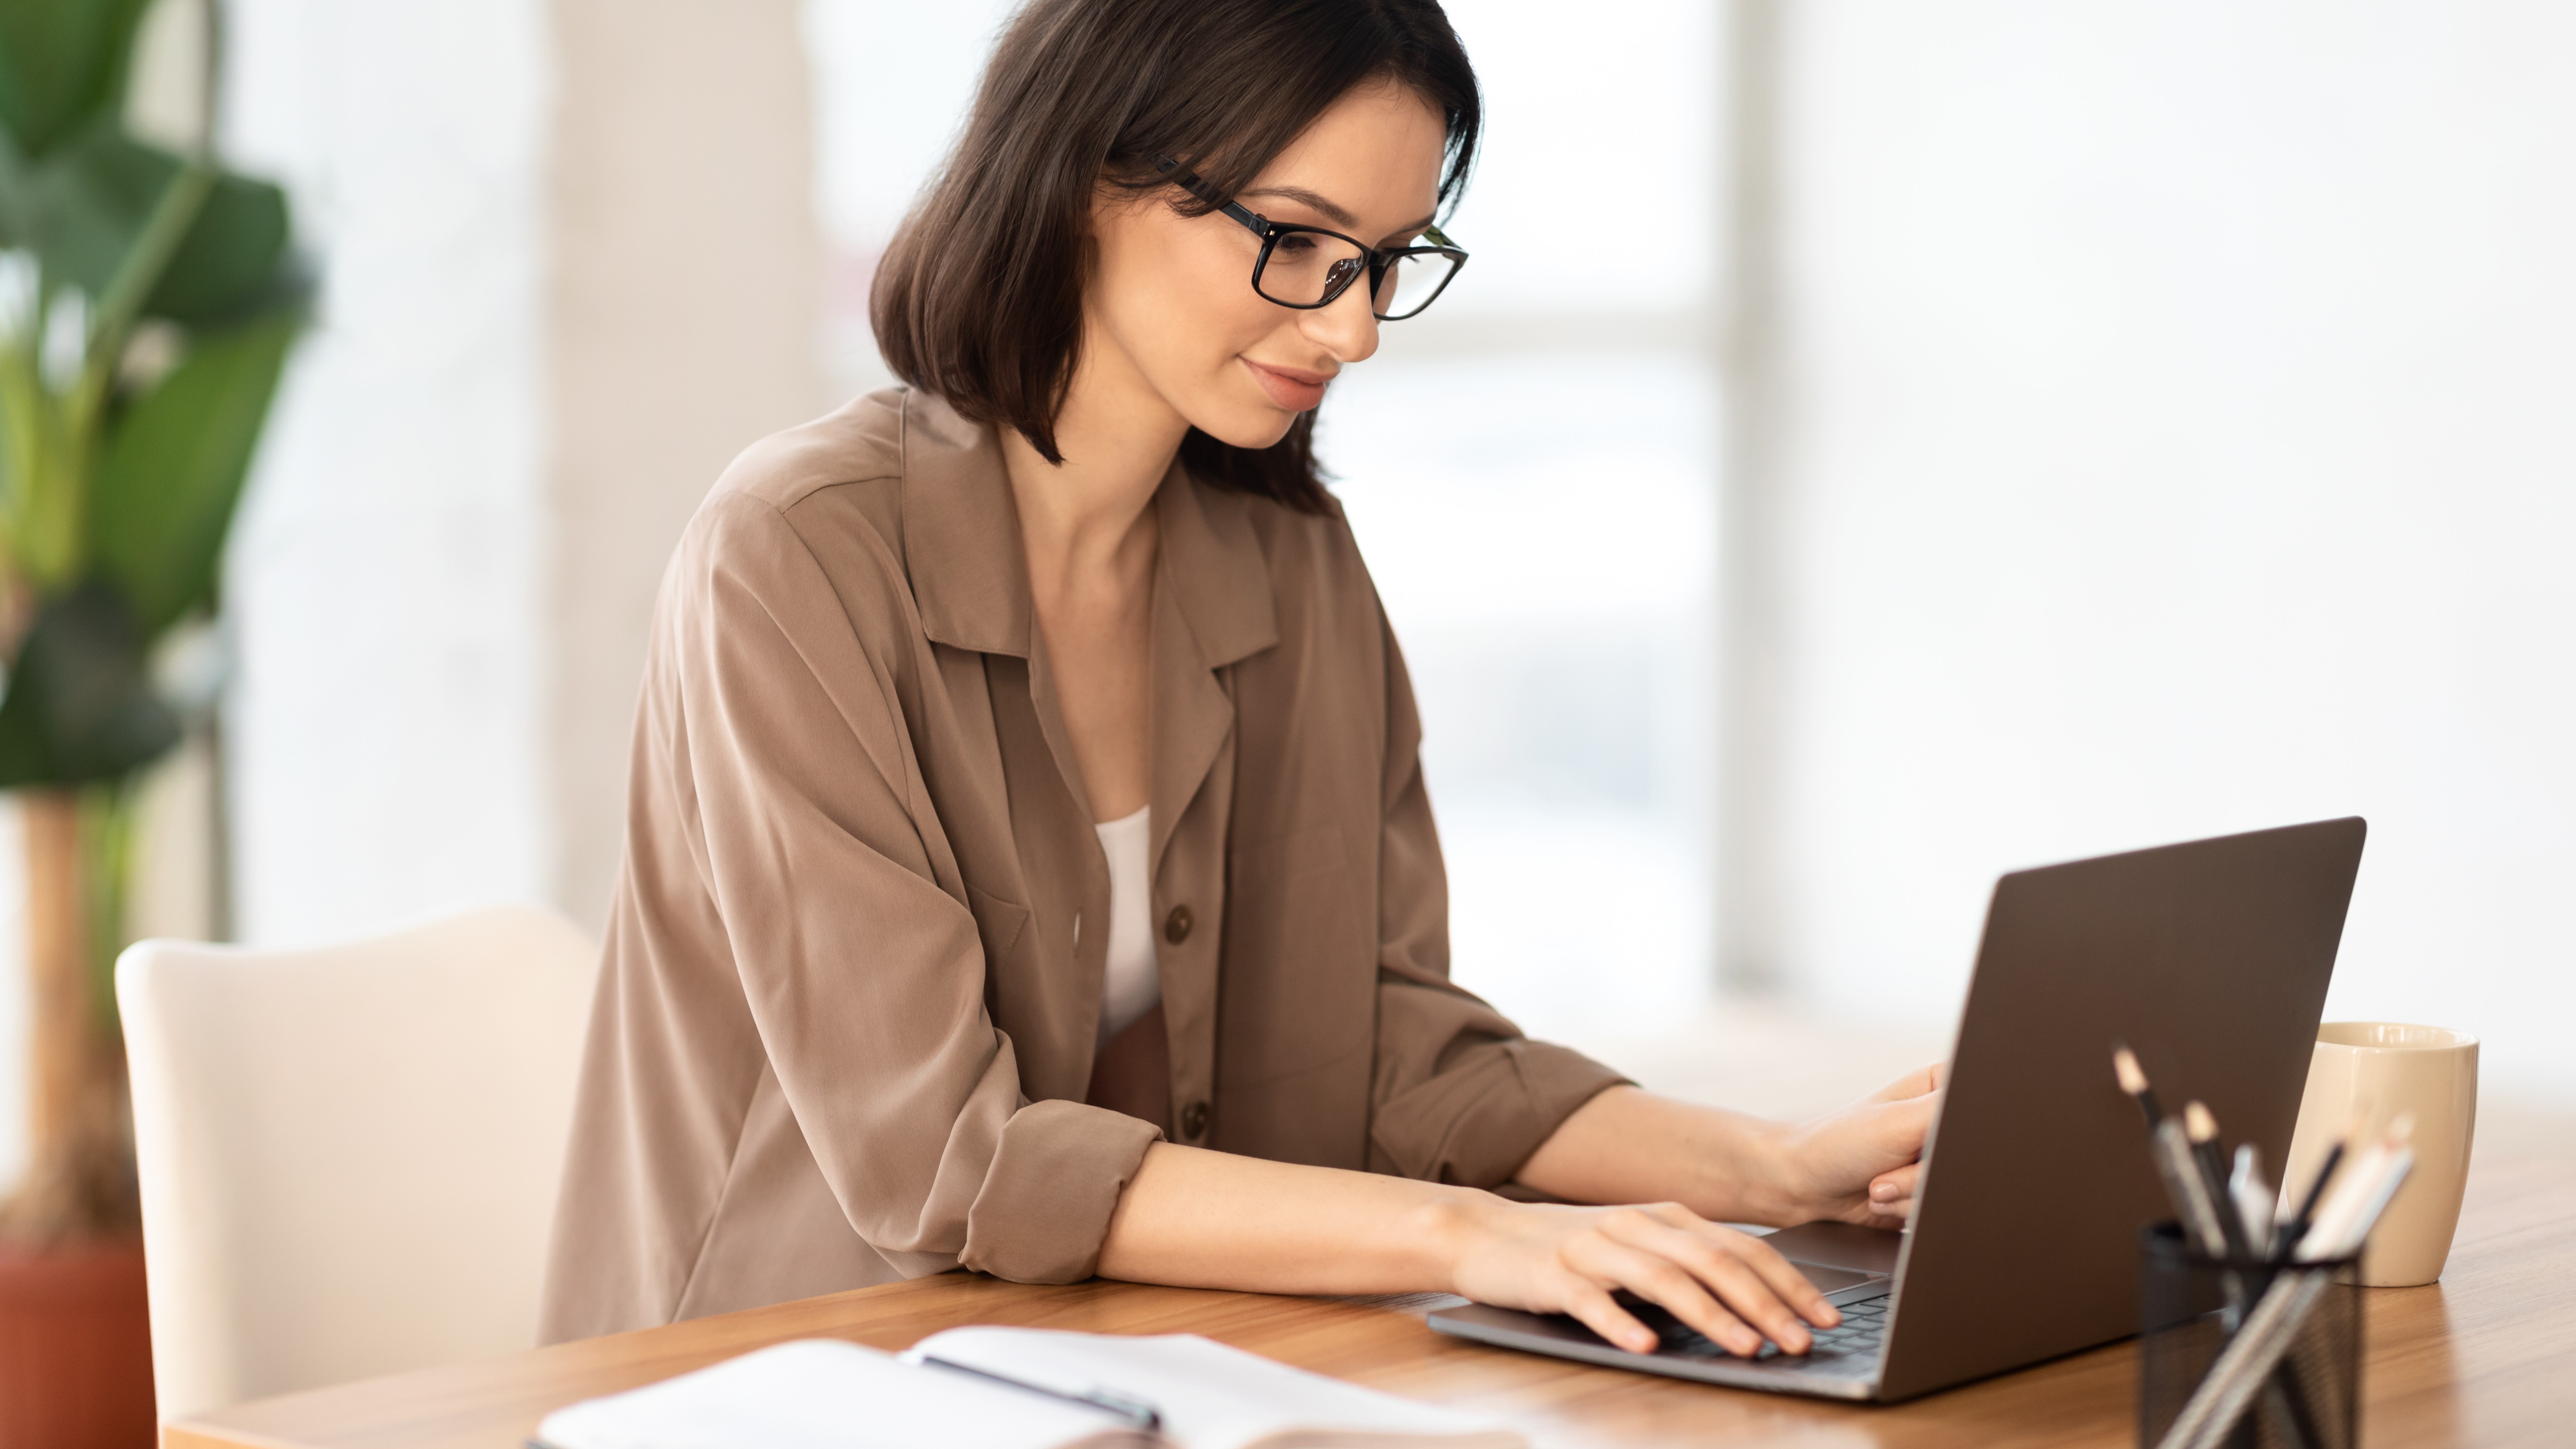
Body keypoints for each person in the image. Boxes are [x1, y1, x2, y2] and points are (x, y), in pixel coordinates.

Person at [539, 0, 1940, 1361]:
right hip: (772, 1369)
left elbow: (1402, 1053)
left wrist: (1775, 1165)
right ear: (1091, 172)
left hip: (1121, 1357)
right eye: (1297, 240)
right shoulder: (794, 556)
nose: (1353, 330)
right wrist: (1473, 1239)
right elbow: (946, 1161)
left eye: (1386, 259)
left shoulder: (1290, 557)